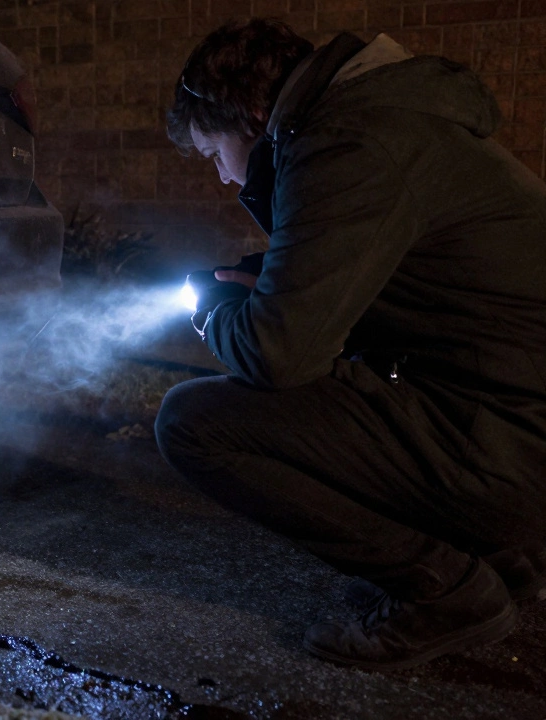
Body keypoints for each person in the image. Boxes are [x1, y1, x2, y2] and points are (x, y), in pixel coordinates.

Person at [155, 18, 546, 670]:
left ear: (250, 116)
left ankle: (444, 589)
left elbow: (279, 355)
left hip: (514, 443)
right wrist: (276, 282)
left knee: (194, 424)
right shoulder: (385, 120)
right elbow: (414, 286)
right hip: (514, 421)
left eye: (214, 153)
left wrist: (218, 313)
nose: (222, 177)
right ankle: (507, 556)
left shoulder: (348, 143)